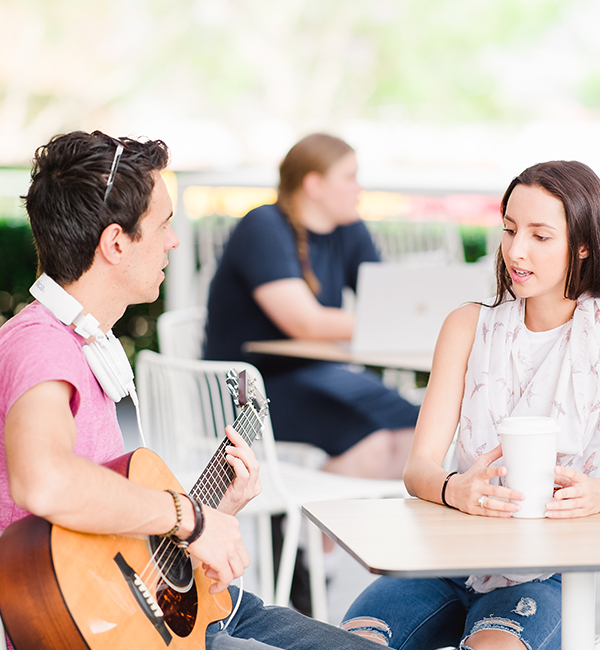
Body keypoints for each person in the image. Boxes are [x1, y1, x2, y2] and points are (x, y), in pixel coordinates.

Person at [0, 130, 388, 650]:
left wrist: (215, 511)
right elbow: (44, 482)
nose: (174, 241)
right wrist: (190, 517)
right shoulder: (41, 344)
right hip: (104, 628)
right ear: (116, 243)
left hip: (165, 606)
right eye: (163, 225)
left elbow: (106, 529)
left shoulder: (86, 341)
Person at [341, 159, 600, 650]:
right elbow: (418, 469)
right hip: (447, 556)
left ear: (583, 244)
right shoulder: (467, 326)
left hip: (548, 572)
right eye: (508, 230)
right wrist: (456, 489)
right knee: (353, 643)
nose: (516, 251)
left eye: (540, 236)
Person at [204, 133, 420, 480]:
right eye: (349, 177)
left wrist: (407, 316)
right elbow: (305, 323)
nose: (358, 189)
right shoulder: (263, 226)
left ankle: (338, 528)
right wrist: (407, 324)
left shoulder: (347, 228)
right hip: (247, 388)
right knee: (372, 444)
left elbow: (388, 303)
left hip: (319, 373)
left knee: (418, 433)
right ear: (315, 184)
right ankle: (306, 529)